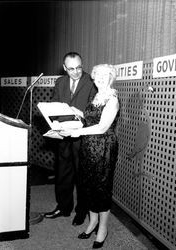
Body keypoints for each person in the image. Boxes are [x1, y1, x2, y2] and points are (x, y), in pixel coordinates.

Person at [60, 64, 119, 249]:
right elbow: (90, 117)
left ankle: (102, 228)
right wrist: (74, 111)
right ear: (93, 77)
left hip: (103, 148)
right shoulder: (97, 96)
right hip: (88, 147)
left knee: (101, 188)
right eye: (97, 75)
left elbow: (102, 127)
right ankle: (92, 223)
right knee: (88, 186)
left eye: (105, 75)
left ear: (111, 77)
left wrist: (78, 132)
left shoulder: (112, 99)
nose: (100, 78)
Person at [43, 52, 97, 226]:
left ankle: (81, 211)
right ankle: (63, 207)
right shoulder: (60, 82)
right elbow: (54, 105)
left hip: (82, 137)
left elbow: (94, 112)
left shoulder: (91, 81)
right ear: (65, 68)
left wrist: (80, 119)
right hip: (63, 137)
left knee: (82, 176)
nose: (76, 72)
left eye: (79, 67)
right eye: (71, 69)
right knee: (63, 174)